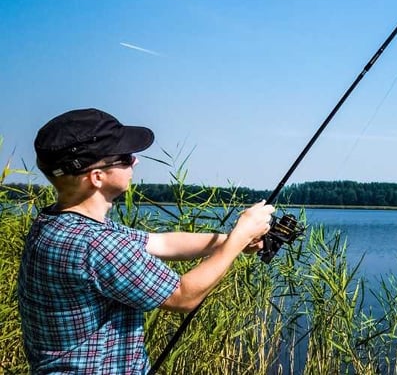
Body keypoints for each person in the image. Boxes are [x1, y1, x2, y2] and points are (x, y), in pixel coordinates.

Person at [19, 108, 275, 374]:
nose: (135, 162)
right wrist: (238, 237)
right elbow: (183, 297)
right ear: (97, 177)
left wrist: (232, 240)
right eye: (125, 158)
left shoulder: (55, 224)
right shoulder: (98, 244)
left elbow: (161, 243)